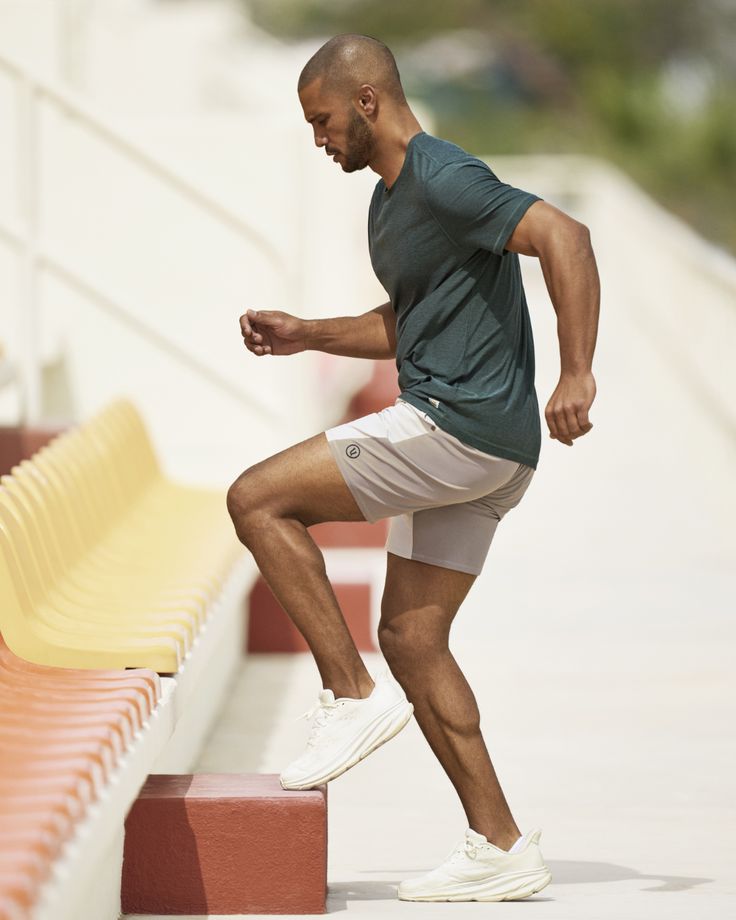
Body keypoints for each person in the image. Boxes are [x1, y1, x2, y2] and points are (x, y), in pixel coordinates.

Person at [228, 33, 599, 903]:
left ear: (366, 103)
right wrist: (308, 334)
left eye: (322, 122)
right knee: (412, 636)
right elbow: (414, 321)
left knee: (257, 501)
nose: (318, 141)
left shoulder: (441, 175)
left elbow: (565, 236)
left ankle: (347, 693)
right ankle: (501, 843)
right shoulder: (392, 204)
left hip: (457, 430)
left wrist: (577, 371)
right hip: (492, 450)